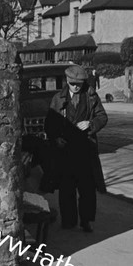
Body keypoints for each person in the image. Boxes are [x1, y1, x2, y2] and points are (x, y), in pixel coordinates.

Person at [44, 65, 108, 233]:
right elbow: (49, 124)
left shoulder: (91, 96)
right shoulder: (58, 98)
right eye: (73, 84)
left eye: (79, 84)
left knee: (87, 189)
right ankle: (69, 220)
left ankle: (86, 220)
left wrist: (91, 124)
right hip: (65, 151)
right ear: (67, 81)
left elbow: (102, 117)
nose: (76, 87)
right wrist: (56, 138)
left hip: (85, 150)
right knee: (67, 188)